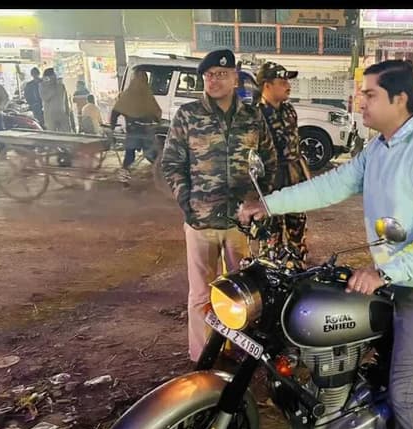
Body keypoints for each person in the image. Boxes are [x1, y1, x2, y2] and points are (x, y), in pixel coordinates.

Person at [239, 60, 413, 429]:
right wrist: (268, 204)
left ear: (400, 99)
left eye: (370, 94)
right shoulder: (378, 148)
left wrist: (383, 273)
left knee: (406, 396)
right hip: (397, 274)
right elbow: (331, 185)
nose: (359, 102)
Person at [161, 49, 277, 363]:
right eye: (209, 75)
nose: (214, 80)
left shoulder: (252, 116)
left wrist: (258, 201)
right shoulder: (188, 115)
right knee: (201, 293)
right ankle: (203, 357)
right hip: (201, 220)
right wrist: (187, 201)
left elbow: (269, 161)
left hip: (240, 222)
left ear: (235, 78)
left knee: (242, 293)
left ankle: (238, 350)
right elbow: (171, 163)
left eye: (221, 74)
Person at [256, 62, 311, 262]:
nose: (288, 86)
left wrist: (306, 179)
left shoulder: (289, 110)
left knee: (298, 231)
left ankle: (297, 267)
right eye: (282, 82)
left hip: (294, 180)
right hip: (270, 184)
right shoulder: (255, 115)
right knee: (271, 239)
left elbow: (295, 150)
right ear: (267, 85)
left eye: (288, 81)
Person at [110, 70, 162, 186]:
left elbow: (115, 112)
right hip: (146, 130)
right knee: (152, 155)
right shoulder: (147, 95)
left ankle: (124, 181)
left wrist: (112, 127)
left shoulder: (127, 95)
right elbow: (156, 113)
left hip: (133, 130)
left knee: (129, 156)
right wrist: (156, 121)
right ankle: (162, 178)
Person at [40, 68, 72, 132]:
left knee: (66, 133)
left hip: (62, 113)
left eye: (54, 75)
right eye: (52, 75)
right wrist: (52, 87)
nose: (54, 77)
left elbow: (66, 99)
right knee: (52, 133)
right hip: (50, 115)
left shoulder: (61, 86)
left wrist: (68, 112)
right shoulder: (43, 86)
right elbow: (45, 98)